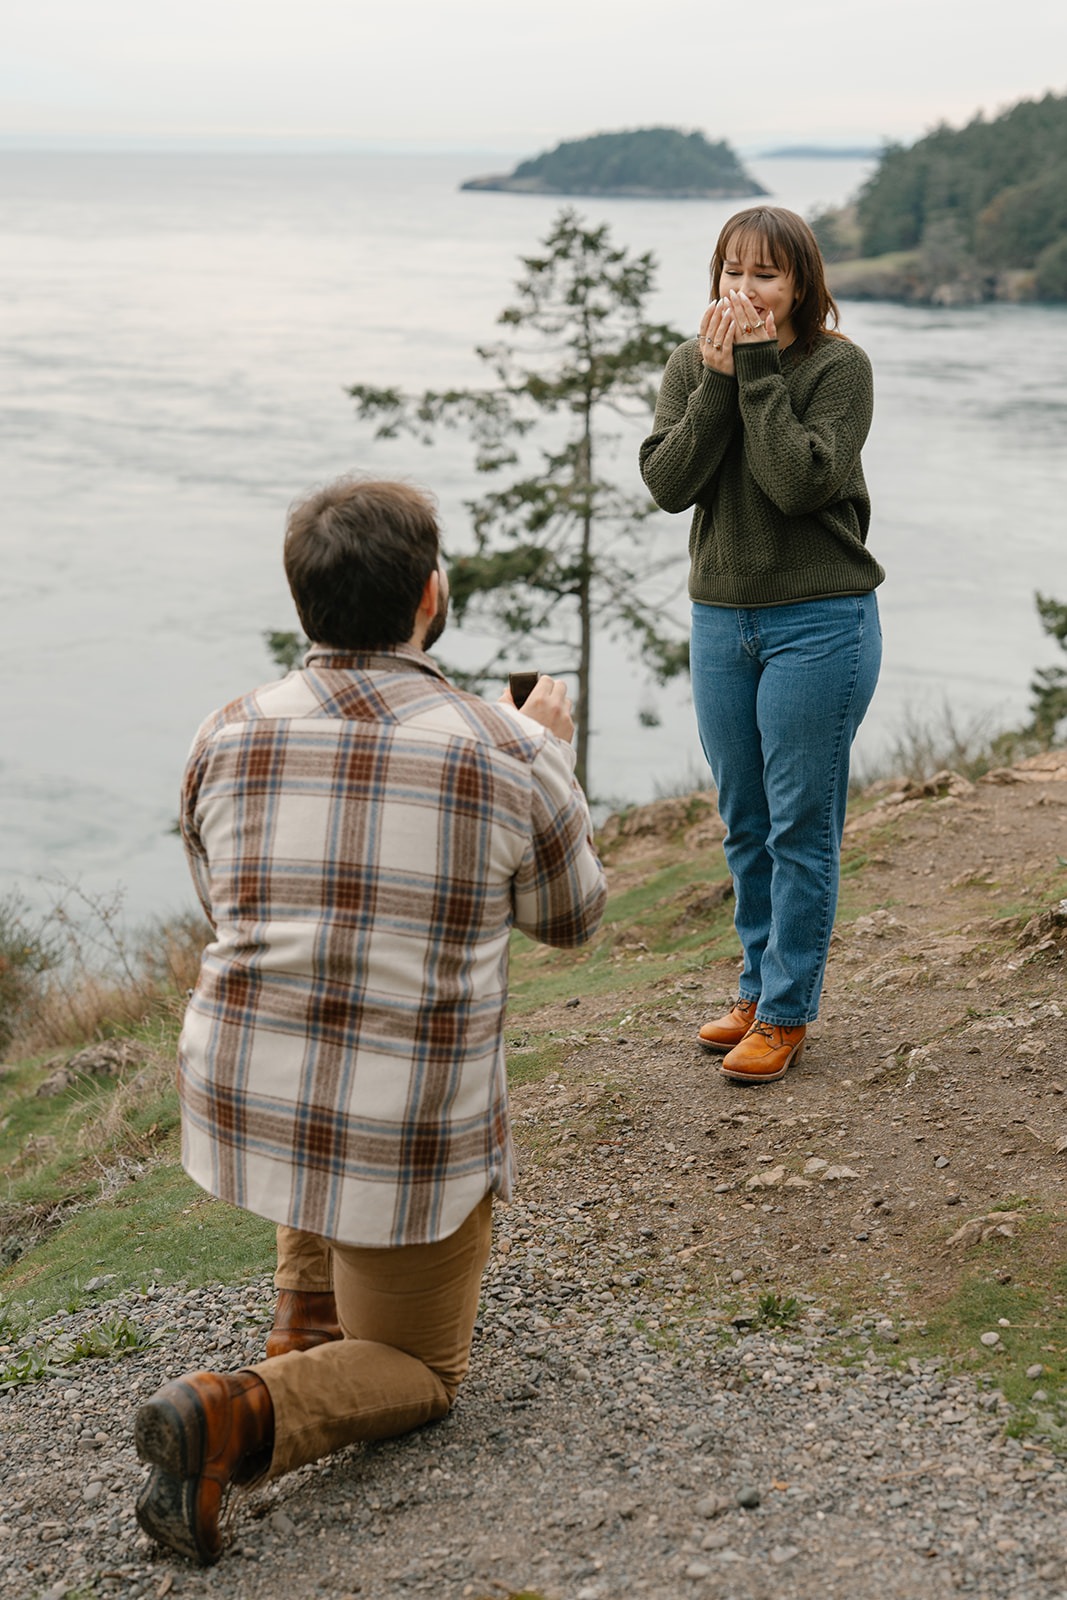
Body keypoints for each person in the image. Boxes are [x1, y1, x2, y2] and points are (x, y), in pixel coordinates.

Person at [133, 477, 607, 1564]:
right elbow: (571, 921)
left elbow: (226, 909)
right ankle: (231, 1415)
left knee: (318, 1025)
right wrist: (551, 755)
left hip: (243, 1098)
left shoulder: (225, 731)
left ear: (300, 598)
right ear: (429, 595)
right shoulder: (506, 748)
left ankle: (306, 1320)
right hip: (401, 1137)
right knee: (423, 1368)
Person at [639, 207, 884, 1086]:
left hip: (820, 620)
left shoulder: (838, 368)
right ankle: (754, 989)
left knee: (798, 826)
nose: (744, 290)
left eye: (765, 275)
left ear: (800, 284)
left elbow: (795, 483)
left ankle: (784, 1013)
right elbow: (668, 483)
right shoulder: (688, 364)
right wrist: (715, 380)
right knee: (743, 823)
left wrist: (751, 370)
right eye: (731, 271)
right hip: (720, 618)